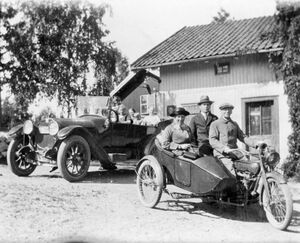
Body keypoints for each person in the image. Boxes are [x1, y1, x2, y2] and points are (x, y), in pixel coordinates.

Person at [209, 102, 255, 176]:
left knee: (249, 165)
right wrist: (224, 148)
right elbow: (212, 140)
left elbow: (242, 137)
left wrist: (255, 145)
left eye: (229, 109)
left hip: (234, 153)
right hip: (222, 154)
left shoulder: (234, 124)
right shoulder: (215, 124)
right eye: (225, 109)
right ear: (221, 111)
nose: (227, 111)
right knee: (231, 170)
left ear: (231, 111)